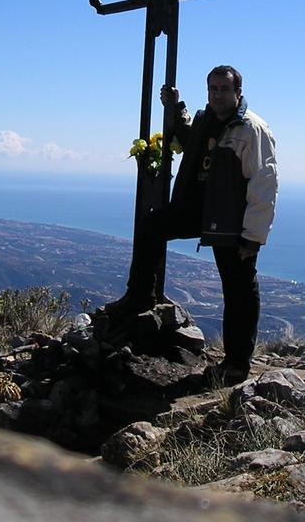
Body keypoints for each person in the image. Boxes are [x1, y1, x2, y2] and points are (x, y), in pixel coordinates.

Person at [108, 65, 278, 384]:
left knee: (239, 290)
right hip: (199, 212)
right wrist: (176, 108)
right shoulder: (207, 120)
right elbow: (190, 140)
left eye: (224, 89)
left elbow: (264, 185)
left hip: (230, 223)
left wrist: (252, 237)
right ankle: (139, 295)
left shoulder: (251, 129)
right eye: (212, 88)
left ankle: (237, 364)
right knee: (153, 226)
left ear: (238, 92)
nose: (217, 94)